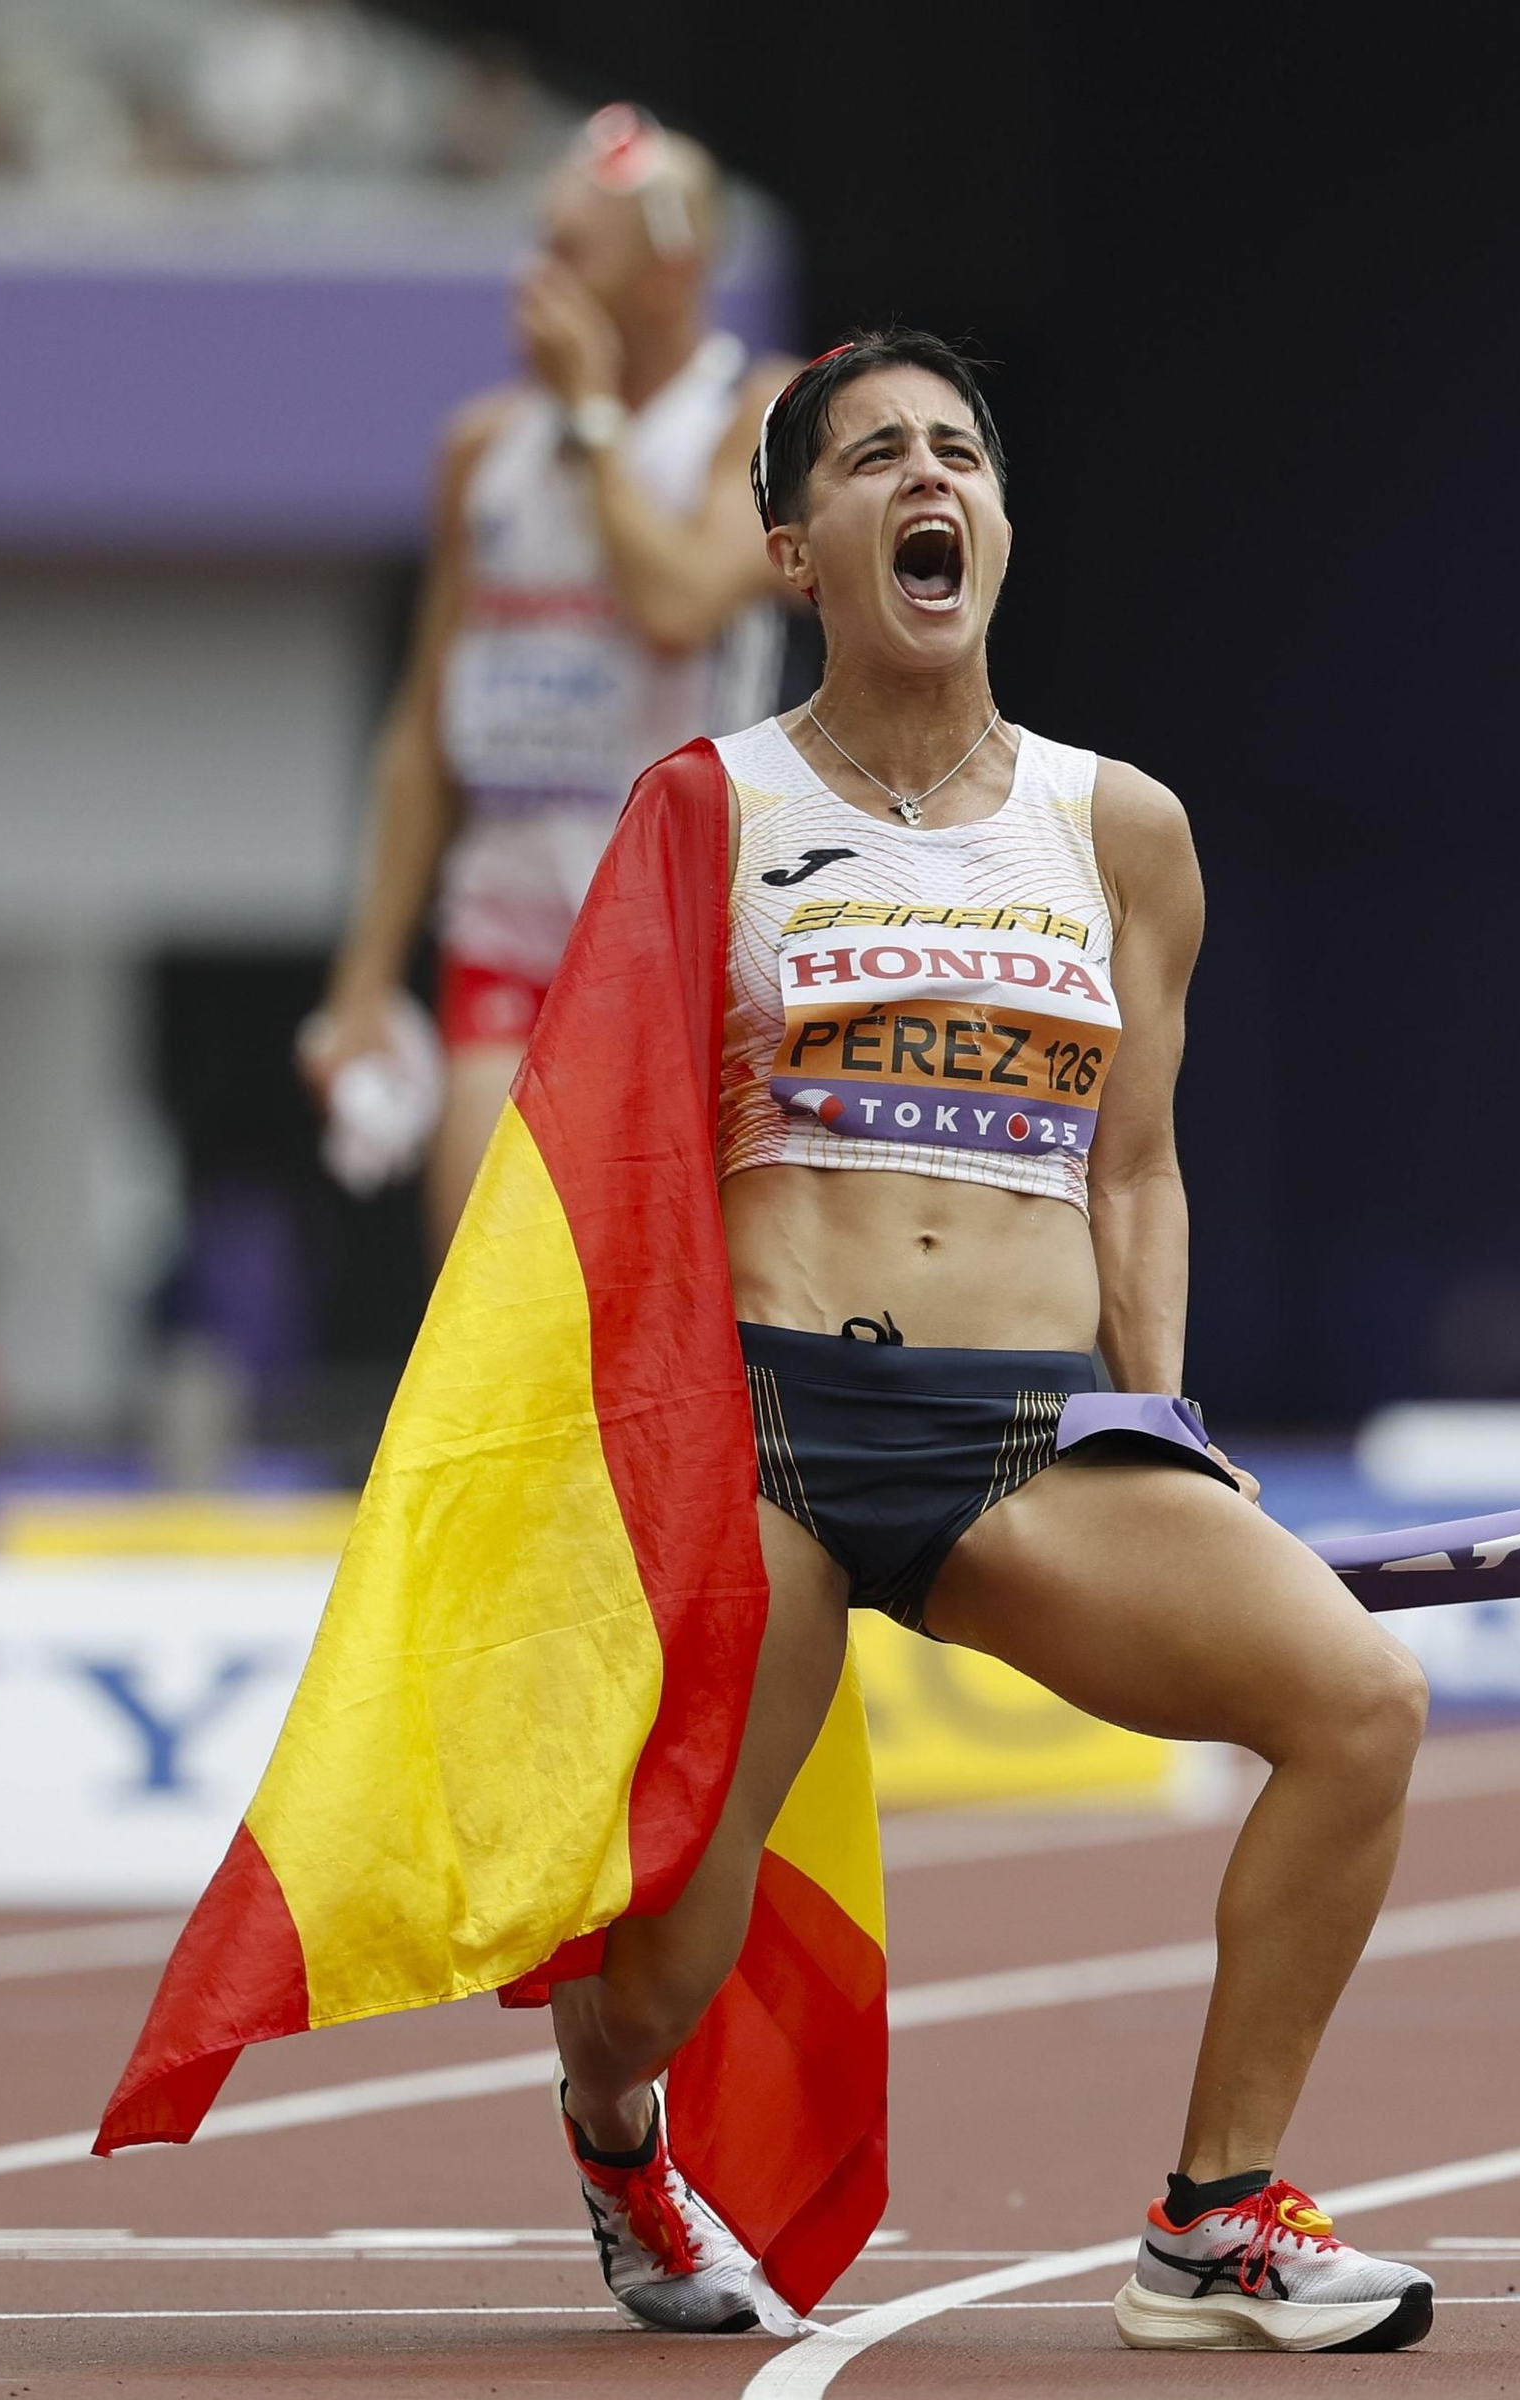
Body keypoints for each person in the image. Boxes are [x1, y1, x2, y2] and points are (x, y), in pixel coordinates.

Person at [546, 329, 1436, 2352]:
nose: (920, 480)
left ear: (997, 528)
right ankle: (612, 2125)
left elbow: (1134, 1169)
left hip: (1024, 1438)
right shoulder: (709, 809)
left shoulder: (1118, 829)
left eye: (954, 453)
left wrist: (1166, 1410)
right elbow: (603, 1176)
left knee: (1355, 1705)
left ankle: (1209, 2227)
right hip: (770, 1438)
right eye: (868, 459)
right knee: (658, 1971)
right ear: (794, 548)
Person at [299, 103, 797, 1255]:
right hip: (510, 930)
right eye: (537, 241)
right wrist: (364, 987)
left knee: (665, 1326)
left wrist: (590, 417)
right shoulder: (483, 448)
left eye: (571, 251)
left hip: (679, 946)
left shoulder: (753, 417)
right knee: (484, 1302)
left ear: (669, 273)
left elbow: (677, 604)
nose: (533, 279)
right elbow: (423, 729)